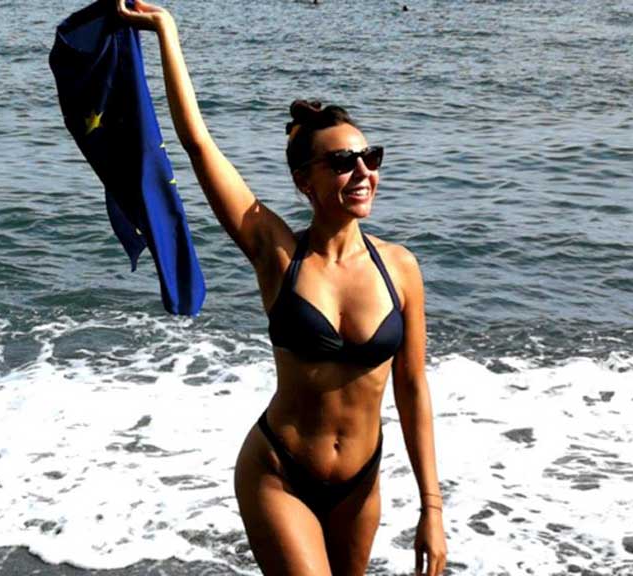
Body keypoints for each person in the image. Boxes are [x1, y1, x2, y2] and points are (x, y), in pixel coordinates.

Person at [117, 1, 447, 574]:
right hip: (278, 472)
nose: (363, 173)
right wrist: (166, 30)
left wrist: (432, 508)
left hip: (361, 484)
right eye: (342, 162)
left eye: (370, 158)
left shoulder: (400, 268)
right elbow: (199, 145)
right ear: (304, 181)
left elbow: (413, 387)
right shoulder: (277, 253)